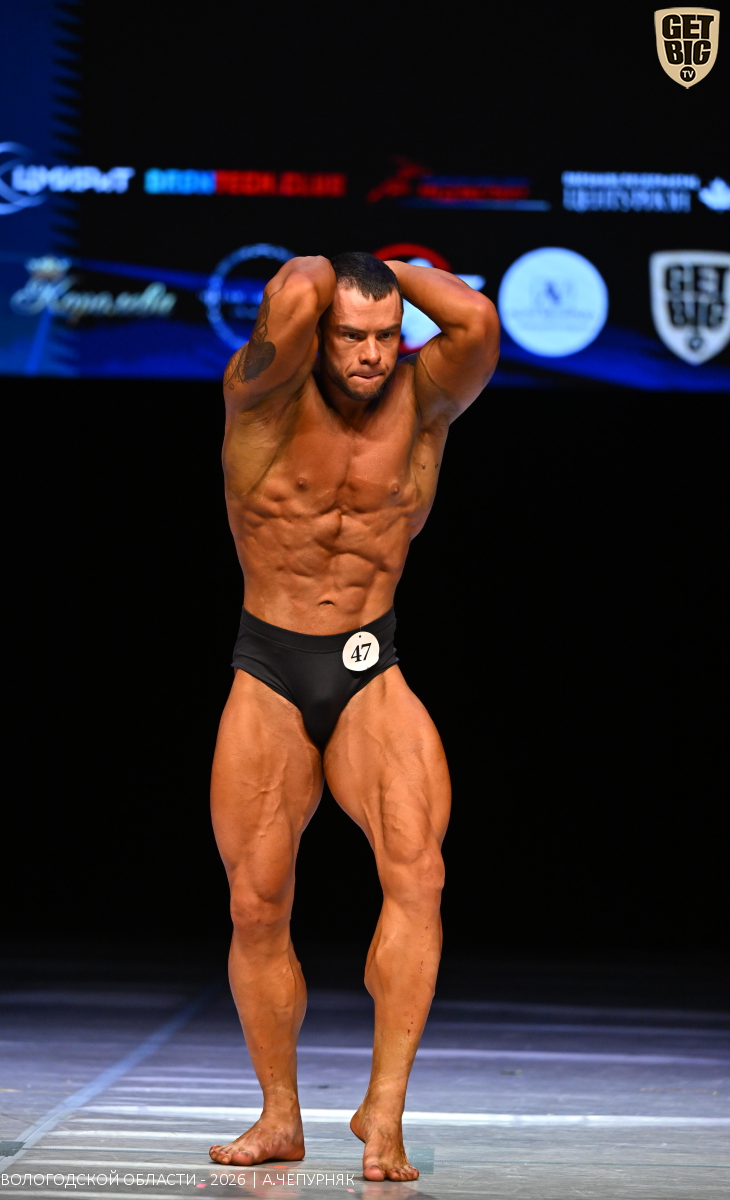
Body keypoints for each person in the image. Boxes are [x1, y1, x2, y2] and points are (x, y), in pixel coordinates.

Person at [209, 252, 499, 1181]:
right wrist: (337, 268)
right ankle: (279, 1115)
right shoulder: (261, 396)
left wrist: (396, 270)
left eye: (386, 337)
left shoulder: (426, 397)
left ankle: (386, 1114)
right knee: (257, 904)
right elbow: (296, 286)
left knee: (421, 875)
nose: (372, 355)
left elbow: (479, 325)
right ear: (318, 333)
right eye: (351, 336)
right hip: (270, 666)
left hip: (372, 663)